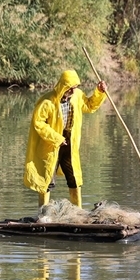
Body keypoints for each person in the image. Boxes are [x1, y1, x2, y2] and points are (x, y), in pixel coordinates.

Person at [24, 69, 107, 209]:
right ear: (64, 87)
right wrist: (56, 138)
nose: (73, 92)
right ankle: (43, 212)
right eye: (70, 88)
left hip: (70, 143)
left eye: (75, 88)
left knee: (74, 178)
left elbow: (89, 106)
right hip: (51, 145)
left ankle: (78, 212)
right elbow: (38, 123)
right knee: (47, 180)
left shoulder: (77, 97)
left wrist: (99, 92)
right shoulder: (47, 101)